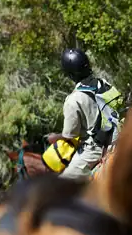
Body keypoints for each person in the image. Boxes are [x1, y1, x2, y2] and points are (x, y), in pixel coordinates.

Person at [46, 48, 124, 180]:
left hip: (98, 148)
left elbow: (71, 135)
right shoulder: (103, 83)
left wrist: (55, 137)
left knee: (64, 181)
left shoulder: (73, 100)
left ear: (70, 75)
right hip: (122, 132)